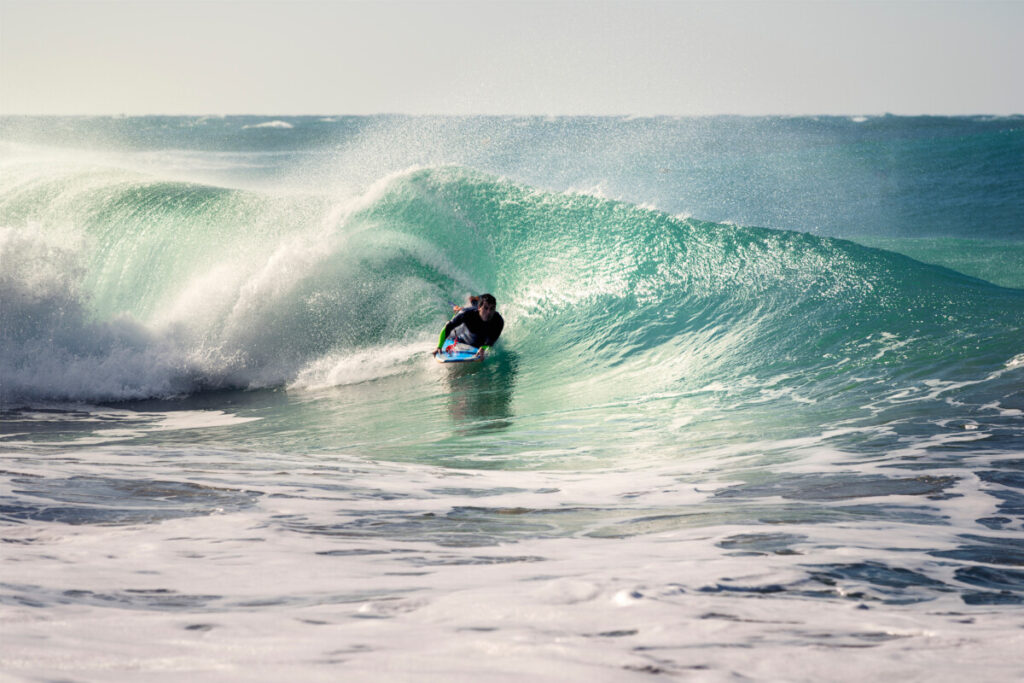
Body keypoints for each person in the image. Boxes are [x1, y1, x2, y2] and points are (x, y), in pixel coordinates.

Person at [434, 293, 504, 360]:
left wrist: (483, 348)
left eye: (492, 308)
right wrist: (439, 346)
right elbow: (447, 328)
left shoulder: (498, 321)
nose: (489, 312)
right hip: (469, 312)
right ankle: (469, 302)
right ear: (480, 308)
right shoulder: (467, 314)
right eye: (486, 308)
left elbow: (492, 341)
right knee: (461, 313)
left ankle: (474, 300)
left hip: (477, 316)